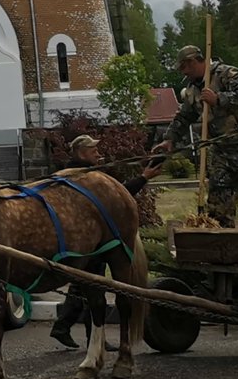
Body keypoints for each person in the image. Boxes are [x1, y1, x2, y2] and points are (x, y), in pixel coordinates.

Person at [48, 135, 164, 349]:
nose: (98, 154)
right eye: (94, 151)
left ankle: (66, 327)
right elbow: (118, 197)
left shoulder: (75, 175)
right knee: (92, 289)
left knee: (84, 288)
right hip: (91, 241)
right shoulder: (82, 178)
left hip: (85, 239)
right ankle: (88, 336)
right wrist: (143, 178)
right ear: (82, 153)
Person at [156, 46, 238, 229]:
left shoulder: (226, 74)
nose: (183, 73)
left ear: (192, 62)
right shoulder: (192, 90)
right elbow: (184, 117)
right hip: (222, 152)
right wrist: (170, 139)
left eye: (183, 67)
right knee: (218, 208)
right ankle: (222, 244)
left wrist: (219, 98)